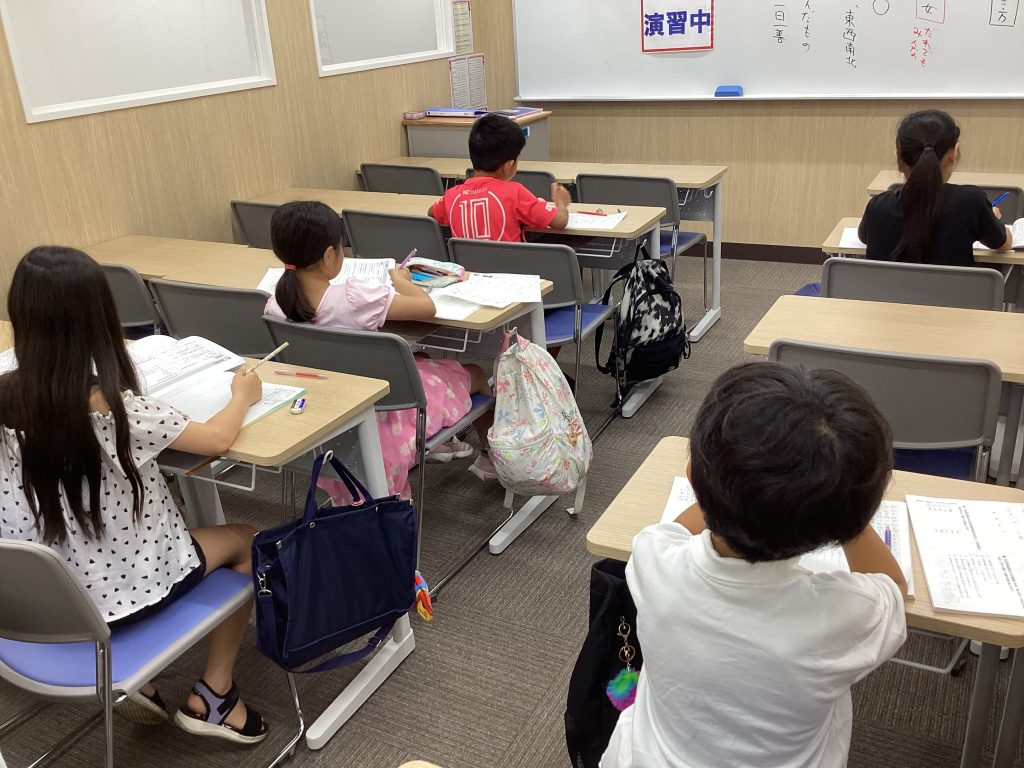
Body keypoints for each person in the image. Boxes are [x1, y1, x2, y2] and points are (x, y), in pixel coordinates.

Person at [0, 247, 268, 744]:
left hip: (35, 603)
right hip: (116, 598)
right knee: (249, 539)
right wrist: (242, 395)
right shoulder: (111, 408)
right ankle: (215, 696)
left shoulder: (5, 395)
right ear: (100, 318)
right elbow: (216, 438)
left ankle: (144, 685)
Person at [602, 361, 908, 768]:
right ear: (847, 522)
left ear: (693, 477)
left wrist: (720, 489)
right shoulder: (843, 617)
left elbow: (674, 531)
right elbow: (892, 587)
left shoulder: (652, 559)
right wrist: (846, 511)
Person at [264, 200, 498, 487]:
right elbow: (426, 308)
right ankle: (491, 459)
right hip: (385, 409)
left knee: (422, 358)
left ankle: (438, 443)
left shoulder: (275, 304)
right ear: (328, 255)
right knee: (475, 372)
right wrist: (401, 281)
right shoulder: (353, 298)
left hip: (327, 405)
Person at [859, 109, 1012, 265]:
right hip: (952, 283)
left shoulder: (878, 207)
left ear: (899, 160)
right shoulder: (971, 203)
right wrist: (992, 219)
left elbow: (865, 238)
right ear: (954, 155)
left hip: (886, 283)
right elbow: (1004, 244)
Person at [429, 112, 572, 242]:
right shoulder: (515, 193)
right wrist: (561, 202)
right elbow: (560, 221)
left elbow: (432, 213)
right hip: (511, 263)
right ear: (508, 165)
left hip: (467, 264)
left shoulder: (452, 196)